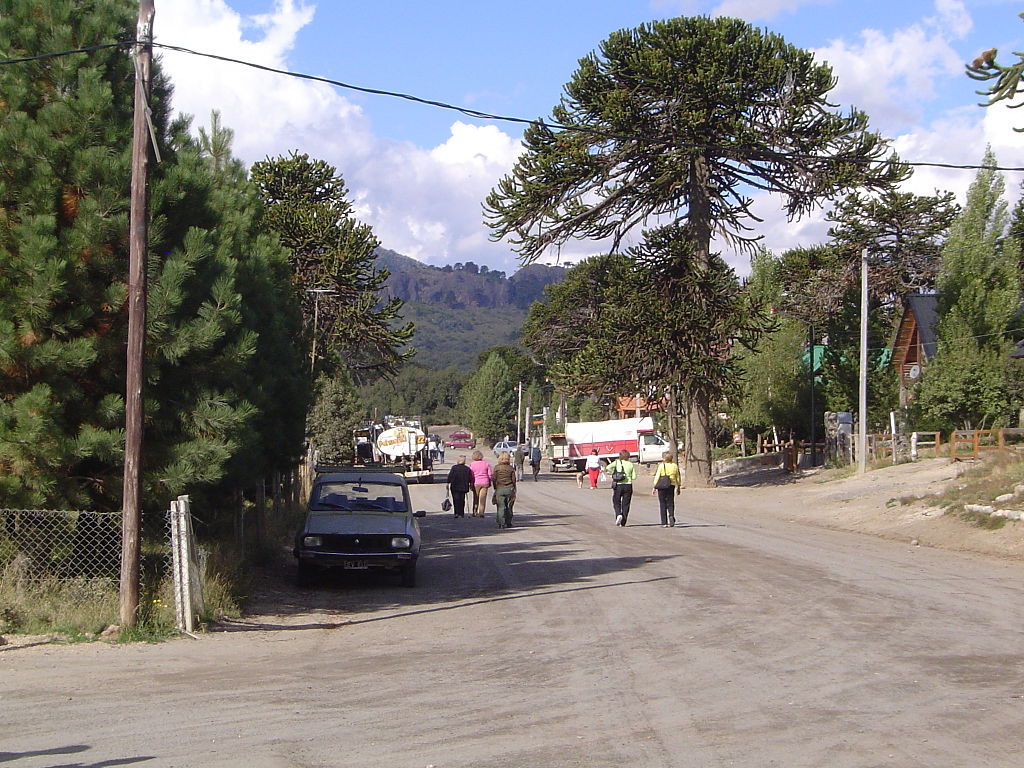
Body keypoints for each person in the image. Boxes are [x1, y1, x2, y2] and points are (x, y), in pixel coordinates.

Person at [605, 449, 636, 526]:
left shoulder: (617, 462)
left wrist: (614, 472)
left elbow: (608, 467)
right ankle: (623, 521)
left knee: (616, 500)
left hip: (618, 484)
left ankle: (618, 514)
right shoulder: (630, 464)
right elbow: (634, 477)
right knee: (626, 504)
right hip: (628, 485)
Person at [651, 451, 682, 527]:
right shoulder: (674, 466)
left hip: (662, 486)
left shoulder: (661, 466)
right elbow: (678, 476)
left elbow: (657, 476)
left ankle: (664, 522)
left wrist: (654, 486)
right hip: (671, 485)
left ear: (664, 458)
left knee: (662, 503)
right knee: (670, 502)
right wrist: (678, 486)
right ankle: (671, 515)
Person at [492, 451, 517, 528]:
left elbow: (494, 479)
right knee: (509, 506)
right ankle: (508, 522)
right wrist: (514, 488)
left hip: (499, 488)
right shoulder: (510, 468)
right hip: (509, 489)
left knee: (501, 507)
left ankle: (501, 523)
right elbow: (514, 479)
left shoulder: (496, 468)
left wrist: (495, 488)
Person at [469, 449, 493, 518]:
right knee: (483, 498)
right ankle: (481, 512)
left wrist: (471, 483)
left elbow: (471, 475)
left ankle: (474, 511)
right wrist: (489, 480)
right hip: (485, 482)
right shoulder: (486, 464)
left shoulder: (472, 464)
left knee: (476, 498)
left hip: (476, 482)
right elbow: (490, 474)